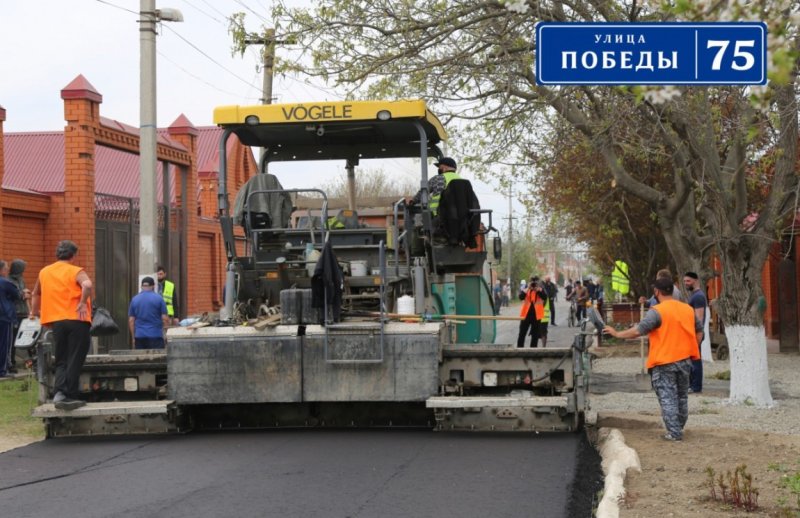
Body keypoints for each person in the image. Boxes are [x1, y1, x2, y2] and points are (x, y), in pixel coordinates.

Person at [603, 277, 702, 441]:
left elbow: (638, 331)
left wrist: (617, 334)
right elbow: (699, 331)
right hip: (685, 361)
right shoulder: (687, 309)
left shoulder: (657, 311)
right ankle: (678, 427)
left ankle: (674, 433)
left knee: (668, 397)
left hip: (664, 362)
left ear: (657, 292)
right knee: (682, 397)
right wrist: (692, 346)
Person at [30, 240, 92, 411]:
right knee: (75, 357)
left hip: (57, 322)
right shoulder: (75, 271)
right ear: (73, 255)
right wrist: (82, 302)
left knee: (61, 358)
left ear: (58, 254)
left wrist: (34, 313)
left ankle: (59, 392)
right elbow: (87, 285)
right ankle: (70, 395)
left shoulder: (44, 272)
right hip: (77, 320)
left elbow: (36, 294)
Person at [128, 276, 169, 350]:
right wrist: (166, 335)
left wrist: (133, 338)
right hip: (156, 336)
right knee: (157, 360)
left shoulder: (134, 299)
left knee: (141, 360)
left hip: (140, 336)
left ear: (141, 286)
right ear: (153, 286)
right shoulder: (159, 299)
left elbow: (131, 320)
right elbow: (165, 319)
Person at [684, 271, 708, 394]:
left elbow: (699, 317)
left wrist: (696, 333)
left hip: (695, 333)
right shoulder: (694, 295)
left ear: (695, 280)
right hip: (693, 333)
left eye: (688, 281)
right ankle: (693, 385)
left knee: (695, 360)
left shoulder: (698, 296)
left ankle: (696, 386)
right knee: (693, 359)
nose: (686, 283)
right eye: (684, 281)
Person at [7, 259, 30, 374]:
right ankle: (11, 362)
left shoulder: (21, 280)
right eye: (22, 268)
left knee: (27, 336)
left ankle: (30, 360)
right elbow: (12, 295)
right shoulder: (8, 281)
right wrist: (22, 294)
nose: (23, 271)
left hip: (23, 312)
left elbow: (23, 294)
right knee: (13, 339)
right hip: (15, 313)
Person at [0, 261, 21, 378]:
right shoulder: (6, 282)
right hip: (4, 316)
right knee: (4, 344)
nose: (7, 270)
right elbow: (17, 295)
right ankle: (2, 371)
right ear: (1, 270)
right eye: (6, 268)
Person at [517, 277, 545, 348]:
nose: (533, 285)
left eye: (535, 283)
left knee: (535, 335)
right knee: (522, 333)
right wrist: (527, 289)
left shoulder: (540, 290)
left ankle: (533, 350)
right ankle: (520, 349)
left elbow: (545, 297)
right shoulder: (527, 290)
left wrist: (538, 290)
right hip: (526, 315)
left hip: (536, 316)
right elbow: (521, 297)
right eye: (532, 283)